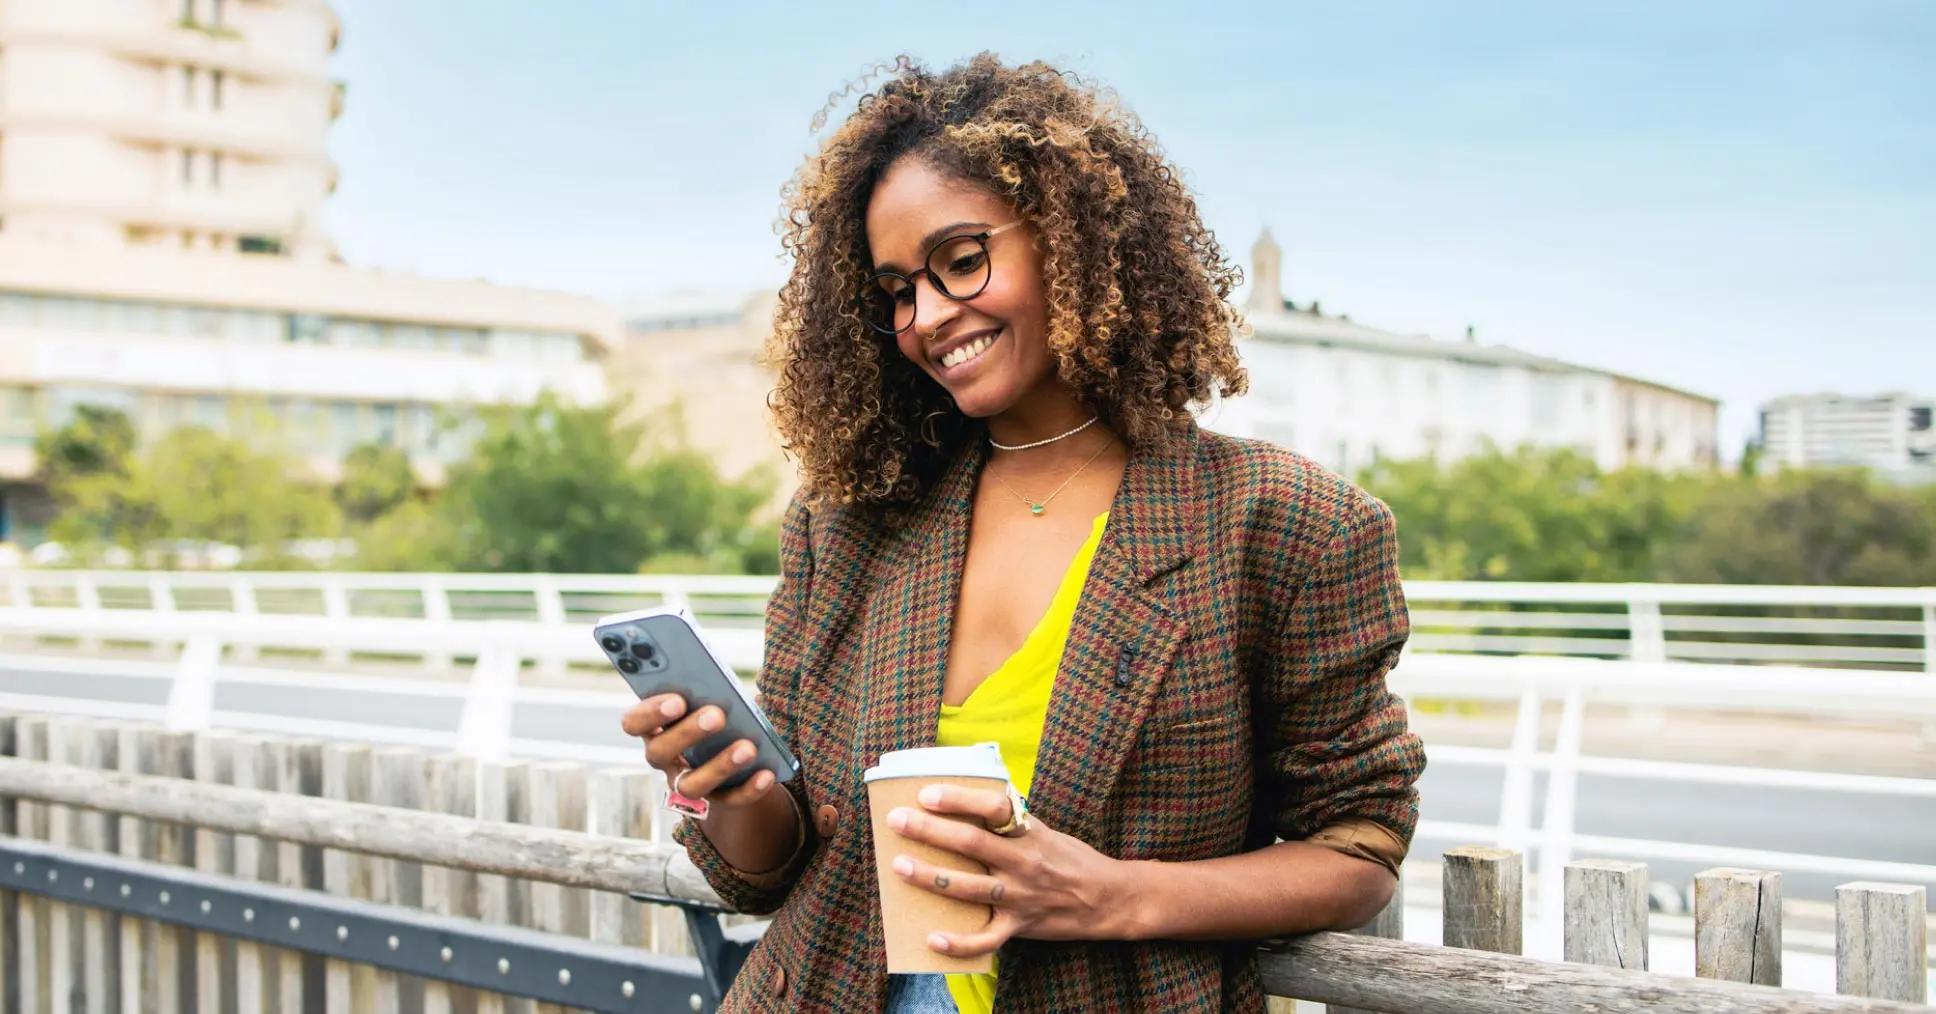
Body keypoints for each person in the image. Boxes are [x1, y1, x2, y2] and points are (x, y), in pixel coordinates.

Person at [620, 53, 1425, 1013]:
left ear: (1073, 238)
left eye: (961, 260)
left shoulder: (1286, 524)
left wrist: (1112, 897)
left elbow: (1360, 848)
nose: (925, 316)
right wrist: (743, 794)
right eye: (896, 289)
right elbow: (765, 871)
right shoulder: (849, 524)